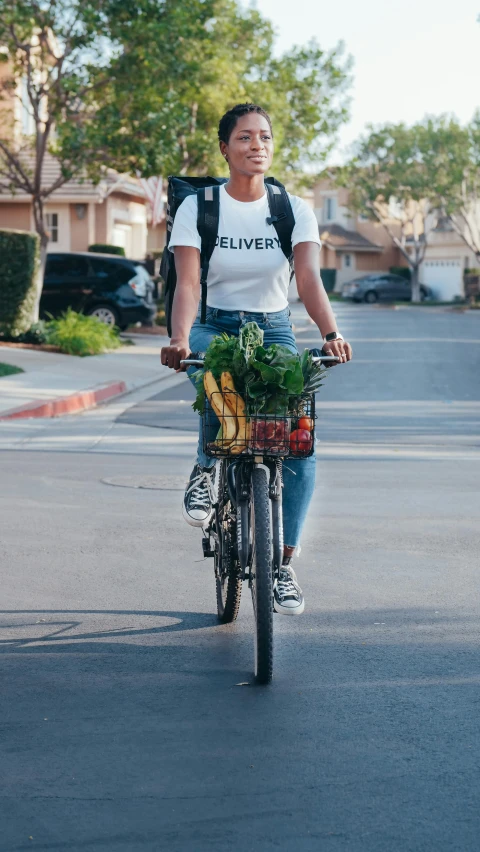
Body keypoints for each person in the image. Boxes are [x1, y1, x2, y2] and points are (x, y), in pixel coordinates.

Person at [161, 103, 352, 615]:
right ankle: (205, 470)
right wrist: (180, 339)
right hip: (213, 322)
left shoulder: (292, 208)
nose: (256, 146)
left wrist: (330, 332)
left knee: (299, 437)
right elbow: (187, 282)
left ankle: (282, 564)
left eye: (264, 137)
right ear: (225, 147)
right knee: (217, 377)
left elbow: (309, 280)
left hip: (272, 327)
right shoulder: (198, 207)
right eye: (244, 138)